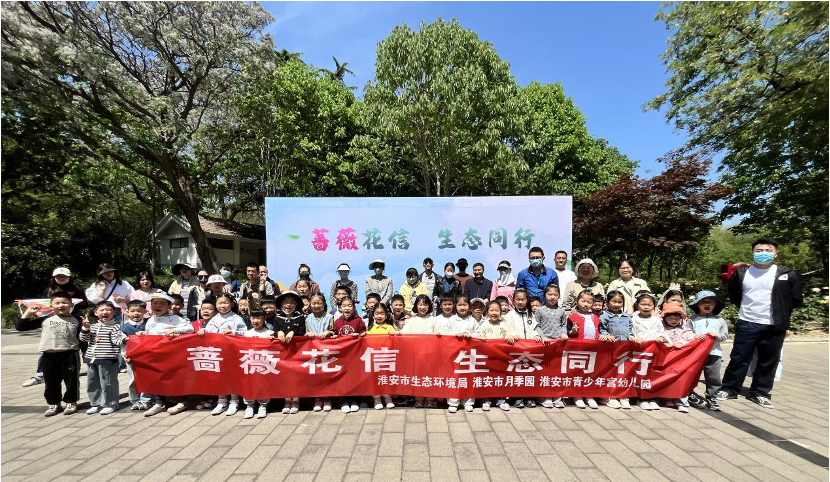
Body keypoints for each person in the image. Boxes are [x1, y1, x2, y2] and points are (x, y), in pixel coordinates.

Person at [720, 238, 802, 409]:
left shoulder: (787, 274)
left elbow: (795, 299)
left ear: (776, 254)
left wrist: (781, 313)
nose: (763, 253)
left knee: (768, 360)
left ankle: (760, 392)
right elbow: (734, 295)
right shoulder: (741, 273)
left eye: (768, 250)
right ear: (752, 253)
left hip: (775, 324)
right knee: (739, 357)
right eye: (759, 250)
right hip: (747, 322)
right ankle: (729, 389)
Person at [16, 291, 83, 416]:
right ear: (51, 305)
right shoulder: (46, 319)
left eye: (65, 302)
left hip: (70, 355)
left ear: (71, 304)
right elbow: (21, 327)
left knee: (71, 381)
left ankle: (71, 402)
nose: (61, 305)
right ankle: (54, 403)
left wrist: (85, 352)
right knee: (51, 381)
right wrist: (28, 312)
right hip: (49, 355)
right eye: (57, 303)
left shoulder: (77, 319)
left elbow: (82, 338)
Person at [22, 267, 89, 388]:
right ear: (54, 278)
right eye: (59, 276)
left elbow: (85, 304)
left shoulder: (77, 289)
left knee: (76, 344)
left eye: (64, 276)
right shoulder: (49, 290)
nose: (61, 278)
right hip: (52, 320)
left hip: (72, 320)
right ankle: (40, 373)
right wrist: (34, 312)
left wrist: (74, 302)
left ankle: (77, 368)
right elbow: (43, 305)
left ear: (69, 277)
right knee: (50, 345)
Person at [134, 293, 194, 417]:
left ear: (169, 306)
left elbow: (190, 328)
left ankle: (182, 401)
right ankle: (159, 402)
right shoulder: (151, 320)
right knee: (156, 377)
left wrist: (175, 330)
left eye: (162, 303)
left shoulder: (175, 319)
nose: (158, 306)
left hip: (172, 355)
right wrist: (144, 334)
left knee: (175, 377)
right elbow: (150, 334)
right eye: (155, 303)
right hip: (155, 354)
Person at [200, 293, 247, 416]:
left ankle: (234, 401)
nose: (223, 306)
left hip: (232, 353)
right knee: (220, 377)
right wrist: (203, 330)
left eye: (225, 303)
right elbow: (209, 332)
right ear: (216, 305)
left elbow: (245, 332)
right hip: (217, 353)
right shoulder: (214, 319)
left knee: (232, 377)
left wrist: (234, 332)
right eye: (220, 303)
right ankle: (222, 401)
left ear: (231, 304)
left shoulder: (236, 318)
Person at [79, 301, 128, 415]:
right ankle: (95, 403)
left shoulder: (115, 327)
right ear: (96, 313)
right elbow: (84, 339)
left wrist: (125, 340)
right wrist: (85, 328)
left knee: (108, 383)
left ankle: (111, 403)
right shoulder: (93, 326)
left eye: (108, 310)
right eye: (101, 310)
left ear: (114, 312)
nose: (105, 312)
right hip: (92, 359)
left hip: (107, 359)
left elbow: (117, 340)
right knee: (92, 383)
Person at [687, 291, 729, 411]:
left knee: (713, 377)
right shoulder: (692, 320)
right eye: (703, 302)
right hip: (696, 354)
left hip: (714, 353)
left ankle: (712, 398)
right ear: (697, 304)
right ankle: (688, 393)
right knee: (692, 374)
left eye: (710, 302)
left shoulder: (720, 320)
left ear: (715, 304)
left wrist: (717, 336)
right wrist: (694, 336)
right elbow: (686, 333)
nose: (707, 304)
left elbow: (724, 336)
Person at [598, 290, 640, 410]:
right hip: (610, 350)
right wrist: (606, 336)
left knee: (624, 373)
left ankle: (623, 396)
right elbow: (601, 330)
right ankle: (608, 396)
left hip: (625, 350)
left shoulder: (627, 317)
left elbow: (630, 330)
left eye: (619, 302)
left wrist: (632, 337)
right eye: (614, 301)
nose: (616, 304)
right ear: (607, 302)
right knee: (610, 373)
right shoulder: (604, 316)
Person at [502, 288, 542, 409]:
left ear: (527, 300)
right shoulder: (509, 315)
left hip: (529, 350)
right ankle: (517, 397)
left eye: (523, 299)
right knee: (516, 374)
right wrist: (512, 335)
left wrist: (535, 335)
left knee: (529, 374)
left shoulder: (531, 315)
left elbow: (534, 328)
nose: (520, 302)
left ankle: (529, 397)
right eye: (517, 299)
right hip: (515, 350)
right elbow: (506, 329)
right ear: (513, 300)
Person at [437, 295, 477, 413]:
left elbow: (479, 333)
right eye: (459, 305)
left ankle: (468, 401)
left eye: (465, 305)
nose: (462, 307)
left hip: (468, 356)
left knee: (468, 377)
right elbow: (444, 334)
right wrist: (455, 334)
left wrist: (470, 334)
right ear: (455, 306)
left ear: (469, 306)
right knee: (453, 377)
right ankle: (453, 402)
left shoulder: (472, 320)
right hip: (454, 356)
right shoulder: (451, 320)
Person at [474, 301, 516, 412]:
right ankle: (486, 400)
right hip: (488, 357)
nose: (494, 313)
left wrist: (511, 336)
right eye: (491, 310)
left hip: (502, 357)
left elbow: (511, 333)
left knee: (501, 379)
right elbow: (478, 337)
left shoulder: (504, 324)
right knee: (488, 379)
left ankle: (501, 400)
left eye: (496, 310)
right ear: (487, 312)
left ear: (501, 312)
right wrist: (481, 338)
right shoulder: (484, 325)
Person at [400, 295, 439, 408]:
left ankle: (430, 399)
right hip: (416, 354)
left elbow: (438, 331)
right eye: (420, 304)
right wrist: (398, 333)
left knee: (429, 377)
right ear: (416, 306)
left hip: (430, 354)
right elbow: (404, 333)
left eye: (425, 304)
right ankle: (419, 399)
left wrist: (438, 333)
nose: (423, 307)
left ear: (429, 306)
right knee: (417, 376)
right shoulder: (411, 320)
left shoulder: (433, 319)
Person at [272, 291, 307, 414]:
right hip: (282, 353)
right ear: (281, 304)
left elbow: (302, 332)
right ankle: (287, 400)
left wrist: (293, 332)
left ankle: (296, 400)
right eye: (286, 302)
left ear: (296, 305)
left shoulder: (300, 317)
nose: (288, 305)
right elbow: (275, 331)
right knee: (285, 377)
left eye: (292, 302)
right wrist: (278, 333)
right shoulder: (277, 318)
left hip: (296, 352)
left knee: (296, 377)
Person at [534, 285, 568, 409]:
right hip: (544, 344)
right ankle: (543, 396)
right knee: (544, 371)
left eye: (555, 295)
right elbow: (536, 325)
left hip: (558, 344)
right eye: (549, 294)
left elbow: (563, 325)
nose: (552, 297)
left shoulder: (561, 311)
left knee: (556, 371)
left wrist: (564, 334)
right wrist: (542, 337)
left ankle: (557, 396)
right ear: (544, 296)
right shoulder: (540, 310)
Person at [631, 291, 665, 411]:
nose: (646, 307)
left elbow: (661, 332)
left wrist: (661, 338)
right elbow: (631, 333)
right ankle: (641, 398)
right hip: (639, 352)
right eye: (643, 304)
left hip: (653, 351)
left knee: (651, 375)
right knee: (640, 375)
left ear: (654, 306)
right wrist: (635, 339)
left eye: (649, 305)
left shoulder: (656, 320)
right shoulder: (634, 319)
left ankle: (651, 397)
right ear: (637, 305)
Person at [567, 290, 601, 409]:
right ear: (577, 302)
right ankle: (577, 396)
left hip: (593, 350)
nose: (586, 304)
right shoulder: (572, 317)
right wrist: (573, 331)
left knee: (591, 373)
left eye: (589, 302)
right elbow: (569, 333)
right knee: (577, 373)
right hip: (578, 351)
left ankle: (589, 395)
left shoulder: (596, 317)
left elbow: (599, 331)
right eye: (583, 301)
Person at [660, 301, 696, 413]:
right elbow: (658, 336)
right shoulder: (662, 329)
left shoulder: (685, 329)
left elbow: (691, 338)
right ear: (665, 318)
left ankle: (682, 402)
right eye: (670, 318)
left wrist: (682, 342)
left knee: (681, 379)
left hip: (681, 359)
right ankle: (667, 399)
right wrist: (663, 341)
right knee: (666, 378)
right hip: (666, 359)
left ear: (681, 318)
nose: (673, 321)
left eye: (676, 318)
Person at [332, 296, 366, 413]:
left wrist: (360, 335)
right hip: (342, 356)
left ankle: (355, 401)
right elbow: (334, 334)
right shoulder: (337, 322)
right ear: (340, 308)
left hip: (355, 355)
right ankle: (343, 401)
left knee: (355, 378)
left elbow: (364, 334)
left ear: (354, 307)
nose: (347, 308)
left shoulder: (358, 320)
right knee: (342, 379)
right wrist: (333, 336)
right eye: (344, 306)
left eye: (349, 305)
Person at [305, 293, 334, 412]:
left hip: (326, 351)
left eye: (319, 303)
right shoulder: (306, 318)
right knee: (315, 376)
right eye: (313, 303)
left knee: (326, 375)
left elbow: (334, 331)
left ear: (324, 304)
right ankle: (317, 399)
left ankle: (327, 399)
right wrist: (307, 333)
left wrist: (329, 332)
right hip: (312, 351)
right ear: (310, 304)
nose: (316, 305)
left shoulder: (329, 317)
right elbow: (303, 332)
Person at [243, 309, 273, 419]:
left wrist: (272, 340)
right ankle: (249, 405)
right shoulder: (246, 333)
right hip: (249, 363)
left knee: (263, 384)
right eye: (253, 318)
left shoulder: (269, 333)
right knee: (248, 384)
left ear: (264, 319)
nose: (255, 321)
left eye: (259, 318)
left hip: (263, 364)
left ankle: (263, 405)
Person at [367, 303, 397, 410]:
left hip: (387, 359)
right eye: (377, 314)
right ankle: (377, 398)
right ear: (373, 315)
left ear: (386, 315)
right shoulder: (370, 328)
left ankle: (388, 397)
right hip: (374, 359)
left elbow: (397, 340)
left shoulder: (390, 327)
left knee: (386, 378)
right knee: (374, 378)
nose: (379, 316)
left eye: (382, 313)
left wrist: (395, 335)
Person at [122, 300, 148, 410]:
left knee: (146, 379)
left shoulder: (148, 324)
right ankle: (135, 400)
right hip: (131, 358)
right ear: (127, 312)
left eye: (139, 311)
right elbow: (123, 345)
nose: (136, 313)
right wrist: (125, 356)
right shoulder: (124, 327)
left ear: (145, 312)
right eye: (132, 311)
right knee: (133, 380)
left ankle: (146, 400)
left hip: (146, 357)